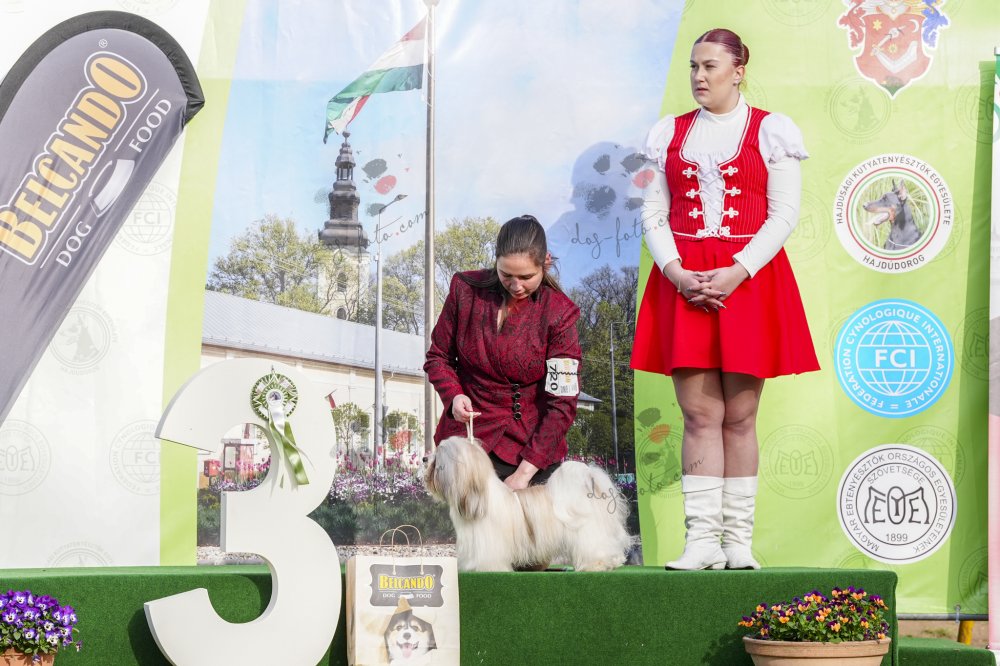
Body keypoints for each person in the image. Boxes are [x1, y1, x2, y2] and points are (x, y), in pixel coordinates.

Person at [631, 28, 820, 570]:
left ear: (738, 71)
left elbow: (783, 214)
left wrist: (737, 271)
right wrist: (676, 273)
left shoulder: (771, 130)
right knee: (698, 414)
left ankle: (737, 542)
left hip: (748, 280)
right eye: (694, 66)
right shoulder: (667, 133)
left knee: (740, 414)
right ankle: (701, 541)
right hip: (685, 282)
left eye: (710, 66)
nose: (698, 76)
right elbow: (653, 213)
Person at [425, 215, 581, 490]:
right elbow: (438, 357)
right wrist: (454, 395)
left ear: (545, 262)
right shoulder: (464, 290)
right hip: (466, 448)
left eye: (526, 277)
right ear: (495, 261)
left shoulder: (560, 313)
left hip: (529, 454)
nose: (516, 285)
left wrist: (524, 474)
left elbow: (562, 403)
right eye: (506, 274)